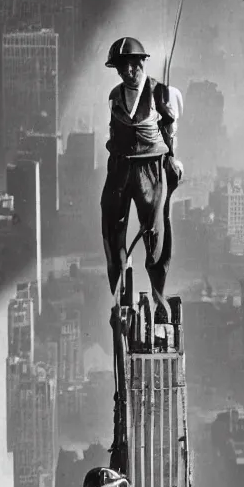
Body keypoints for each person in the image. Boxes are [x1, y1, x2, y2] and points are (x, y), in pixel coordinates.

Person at [101, 37, 184, 321]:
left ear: (141, 63)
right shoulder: (114, 96)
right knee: (112, 225)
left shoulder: (161, 92)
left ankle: (158, 297)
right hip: (121, 167)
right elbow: (115, 131)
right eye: (122, 67)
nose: (128, 72)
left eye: (132, 66)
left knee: (156, 231)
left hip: (151, 167)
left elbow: (171, 130)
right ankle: (120, 293)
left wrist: (172, 159)